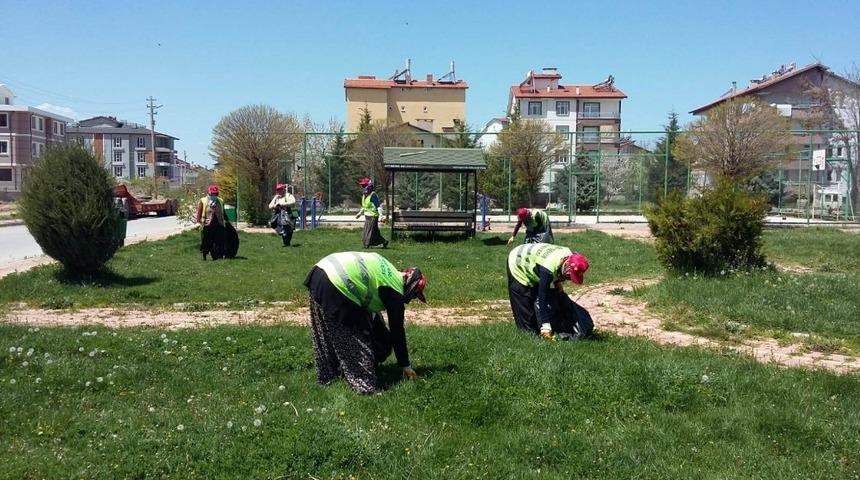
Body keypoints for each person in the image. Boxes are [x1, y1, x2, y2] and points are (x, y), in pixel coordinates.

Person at [304, 252, 427, 394]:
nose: (411, 300)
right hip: (335, 283)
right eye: (414, 295)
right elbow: (397, 332)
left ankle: (329, 376)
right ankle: (365, 387)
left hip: (320, 271)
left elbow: (371, 311)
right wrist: (405, 366)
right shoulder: (395, 292)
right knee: (354, 341)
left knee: (326, 335)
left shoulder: (390, 272)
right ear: (410, 287)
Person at [507, 243, 591, 340]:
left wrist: (557, 282)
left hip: (538, 262)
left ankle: (538, 327)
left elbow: (559, 269)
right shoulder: (547, 270)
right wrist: (546, 326)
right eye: (568, 277)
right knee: (525, 310)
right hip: (517, 261)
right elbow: (542, 297)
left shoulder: (568, 255)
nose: (568, 279)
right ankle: (528, 338)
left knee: (535, 297)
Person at [195, 185, 227, 260]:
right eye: (212, 194)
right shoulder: (203, 200)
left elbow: (223, 212)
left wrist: (227, 221)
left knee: (219, 241)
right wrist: (198, 222)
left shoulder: (221, 201)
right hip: (207, 225)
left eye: (216, 194)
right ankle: (204, 255)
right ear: (209, 193)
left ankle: (218, 255)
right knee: (207, 242)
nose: (214, 195)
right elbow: (199, 212)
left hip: (219, 224)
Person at [355, 177, 388, 249]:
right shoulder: (364, 195)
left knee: (369, 232)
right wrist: (359, 213)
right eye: (362, 186)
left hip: (373, 216)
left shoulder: (373, 195)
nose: (363, 187)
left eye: (364, 185)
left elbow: (378, 206)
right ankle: (384, 241)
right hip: (367, 217)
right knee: (373, 232)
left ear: (369, 186)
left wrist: (381, 216)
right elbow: (364, 206)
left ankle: (367, 244)